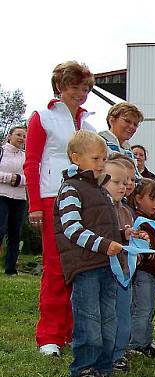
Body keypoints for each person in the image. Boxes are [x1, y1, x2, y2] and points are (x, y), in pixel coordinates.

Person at [24, 61, 96, 356]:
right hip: (52, 197)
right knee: (55, 266)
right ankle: (49, 335)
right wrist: (35, 204)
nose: (81, 94)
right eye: (75, 87)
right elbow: (31, 162)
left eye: (86, 89)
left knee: (79, 267)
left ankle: (70, 331)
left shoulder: (89, 126)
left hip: (84, 199)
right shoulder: (42, 117)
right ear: (61, 87)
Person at [54, 131, 124, 377]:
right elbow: (72, 229)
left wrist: (124, 235)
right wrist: (106, 245)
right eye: (95, 158)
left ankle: (103, 369)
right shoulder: (72, 189)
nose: (100, 163)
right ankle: (84, 369)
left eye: (103, 158)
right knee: (89, 319)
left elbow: (106, 227)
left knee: (109, 319)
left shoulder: (101, 191)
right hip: (85, 267)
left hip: (106, 265)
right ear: (75, 158)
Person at [103, 157, 138, 373]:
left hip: (125, 272)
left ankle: (118, 354)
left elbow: (130, 239)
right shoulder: (101, 208)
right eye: (118, 182)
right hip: (106, 271)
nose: (124, 187)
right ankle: (105, 354)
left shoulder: (126, 210)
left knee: (124, 315)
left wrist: (137, 241)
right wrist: (121, 235)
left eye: (126, 183)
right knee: (108, 316)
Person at [129, 178, 155, 357]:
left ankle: (145, 340)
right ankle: (136, 344)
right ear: (138, 198)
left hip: (154, 271)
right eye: (152, 199)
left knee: (150, 308)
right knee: (141, 309)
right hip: (143, 271)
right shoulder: (137, 220)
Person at [0, 125, 27, 275]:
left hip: (19, 198)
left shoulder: (26, 156)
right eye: (18, 134)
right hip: (2, 196)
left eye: (24, 136)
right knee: (0, 229)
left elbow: (33, 176)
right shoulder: (2, 152)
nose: (21, 138)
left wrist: (19, 180)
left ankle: (10, 268)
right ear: (10, 136)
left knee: (15, 233)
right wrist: (9, 178)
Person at [99, 103, 143, 170]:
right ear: (112, 120)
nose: (132, 127)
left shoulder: (128, 150)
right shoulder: (99, 143)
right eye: (127, 121)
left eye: (135, 124)